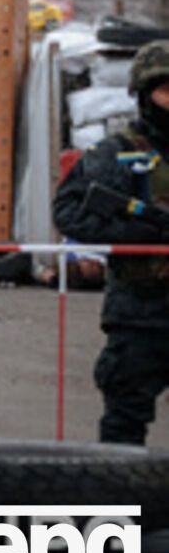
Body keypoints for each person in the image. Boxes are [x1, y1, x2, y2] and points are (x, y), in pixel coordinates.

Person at [54, 40, 169, 445]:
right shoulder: (118, 153)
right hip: (141, 312)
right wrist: (135, 233)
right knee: (124, 425)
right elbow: (68, 211)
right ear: (143, 95)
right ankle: (122, 508)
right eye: (166, 90)